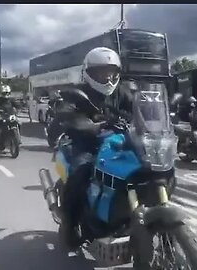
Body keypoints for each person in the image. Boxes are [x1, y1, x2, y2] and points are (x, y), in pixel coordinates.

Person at [57, 47, 121, 251]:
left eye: (110, 72)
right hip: (86, 144)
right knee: (81, 172)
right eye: (101, 72)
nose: (107, 77)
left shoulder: (123, 92)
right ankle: (70, 223)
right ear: (88, 73)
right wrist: (91, 126)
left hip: (118, 143)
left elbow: (143, 110)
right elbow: (67, 115)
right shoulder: (75, 92)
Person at [0, 85, 20, 149]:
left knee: (18, 123)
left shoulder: (11, 100)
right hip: (1, 116)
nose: (6, 94)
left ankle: (18, 139)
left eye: (7, 93)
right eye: (4, 93)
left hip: (10, 116)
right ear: (1, 93)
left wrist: (18, 108)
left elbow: (18, 105)